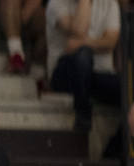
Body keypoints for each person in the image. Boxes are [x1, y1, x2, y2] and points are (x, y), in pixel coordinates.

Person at [47, 0, 122, 133]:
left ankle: (117, 144)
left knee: (127, 88)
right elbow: (79, 30)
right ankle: (82, 115)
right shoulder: (56, 3)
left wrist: (82, 43)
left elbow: (110, 42)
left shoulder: (110, 3)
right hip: (65, 74)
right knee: (83, 55)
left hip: (97, 75)